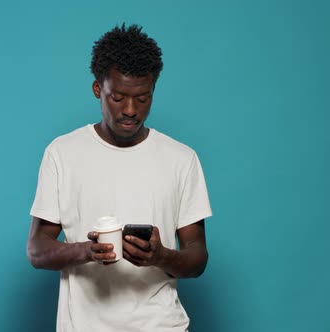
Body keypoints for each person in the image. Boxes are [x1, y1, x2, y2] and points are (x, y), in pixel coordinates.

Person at [27, 23, 212, 332]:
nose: (130, 110)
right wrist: (86, 251)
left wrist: (161, 256)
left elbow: (198, 258)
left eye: (142, 98)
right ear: (98, 89)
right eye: (118, 97)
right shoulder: (62, 153)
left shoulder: (182, 158)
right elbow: (36, 249)